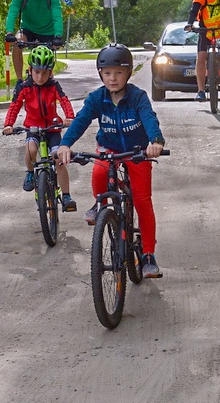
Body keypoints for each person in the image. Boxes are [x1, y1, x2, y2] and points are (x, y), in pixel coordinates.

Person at [56, 44, 166, 278]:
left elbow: (149, 118)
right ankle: (100, 205)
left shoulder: (137, 97)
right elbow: (81, 121)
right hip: (109, 148)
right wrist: (66, 143)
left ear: (128, 74)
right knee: (99, 171)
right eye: (107, 73)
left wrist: (155, 141)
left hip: (138, 151)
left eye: (118, 72)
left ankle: (148, 255)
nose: (113, 78)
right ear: (100, 74)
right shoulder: (97, 98)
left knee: (142, 200)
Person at [2, 46, 77, 212]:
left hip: (52, 129)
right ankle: (30, 172)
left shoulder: (54, 86)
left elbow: (64, 101)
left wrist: (69, 117)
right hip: (33, 129)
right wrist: (9, 124)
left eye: (45, 73)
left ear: (51, 72)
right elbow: (14, 106)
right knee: (30, 150)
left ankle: (66, 196)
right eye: (37, 72)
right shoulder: (24, 87)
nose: (40, 76)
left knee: (59, 159)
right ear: (30, 70)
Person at [4, 0, 64, 82]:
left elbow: (57, 16)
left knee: (47, 62)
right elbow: (12, 13)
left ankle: (50, 83)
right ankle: (19, 80)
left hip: (48, 31)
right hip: (28, 29)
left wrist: (58, 36)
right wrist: (9, 32)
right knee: (16, 45)